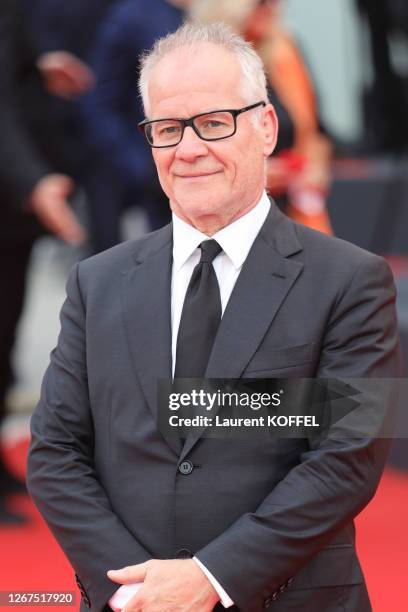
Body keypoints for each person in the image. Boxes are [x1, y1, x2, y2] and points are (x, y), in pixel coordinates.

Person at [27, 22, 400, 612]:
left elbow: (347, 457)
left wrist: (211, 578)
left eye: (215, 122)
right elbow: (55, 451)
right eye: (168, 129)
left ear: (266, 127)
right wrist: (133, 592)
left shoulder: (351, 280)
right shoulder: (96, 283)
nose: (190, 148)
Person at [0, 0, 85, 524]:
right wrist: (33, 181)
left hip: (15, 206)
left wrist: (37, 66)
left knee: (6, 329)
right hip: (17, 188)